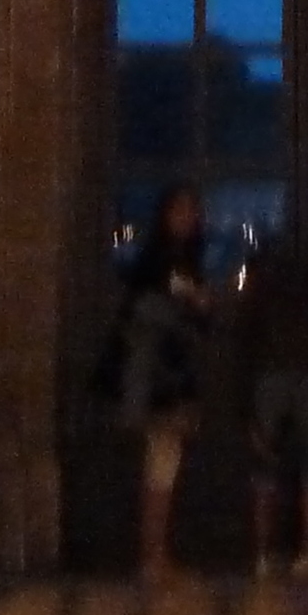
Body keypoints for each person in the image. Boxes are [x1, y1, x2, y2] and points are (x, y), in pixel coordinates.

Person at [116, 184, 210, 583]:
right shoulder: (159, 260)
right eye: (181, 211)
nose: (188, 219)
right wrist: (193, 301)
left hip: (170, 369)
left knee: (165, 463)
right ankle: (151, 556)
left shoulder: (183, 257)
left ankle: (156, 553)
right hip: (159, 374)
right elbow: (160, 308)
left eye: (192, 211)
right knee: (161, 462)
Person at [240, 220, 308, 579]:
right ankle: (302, 550)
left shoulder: (264, 285)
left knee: (273, 465)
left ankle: (269, 553)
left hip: (278, 371)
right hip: (296, 371)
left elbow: (245, 341)